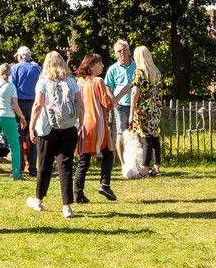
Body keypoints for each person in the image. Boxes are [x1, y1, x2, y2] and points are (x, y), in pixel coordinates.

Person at [27, 50, 81, 218]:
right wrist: (80, 123)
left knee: (44, 164)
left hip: (47, 128)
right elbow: (80, 103)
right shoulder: (71, 81)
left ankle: (38, 200)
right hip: (69, 127)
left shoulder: (43, 81)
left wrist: (32, 125)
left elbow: (38, 104)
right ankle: (66, 206)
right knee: (65, 166)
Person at [72, 52, 114, 203]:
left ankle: (78, 193)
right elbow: (108, 103)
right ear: (91, 65)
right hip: (97, 123)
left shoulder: (79, 82)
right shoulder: (98, 81)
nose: (102, 65)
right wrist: (112, 93)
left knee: (83, 159)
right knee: (108, 153)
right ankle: (105, 184)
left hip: (83, 123)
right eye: (99, 63)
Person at [129, 46, 164, 176]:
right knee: (155, 137)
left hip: (143, 109)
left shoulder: (139, 73)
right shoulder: (157, 72)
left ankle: (144, 168)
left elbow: (135, 92)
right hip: (155, 108)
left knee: (145, 139)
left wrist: (132, 111)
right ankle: (156, 168)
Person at [9, 46, 42, 178]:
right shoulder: (37, 68)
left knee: (18, 136)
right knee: (33, 135)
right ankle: (33, 168)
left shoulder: (15, 68)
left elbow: (12, 86)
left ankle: (19, 166)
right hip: (34, 103)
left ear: (20, 56)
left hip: (19, 104)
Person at [103, 40, 136, 148]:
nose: (122, 52)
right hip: (120, 106)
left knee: (136, 133)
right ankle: (122, 159)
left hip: (136, 105)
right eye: (119, 51)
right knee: (121, 133)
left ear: (129, 51)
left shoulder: (137, 66)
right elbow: (107, 87)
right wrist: (114, 101)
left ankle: (135, 157)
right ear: (115, 53)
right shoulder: (113, 69)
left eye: (124, 50)